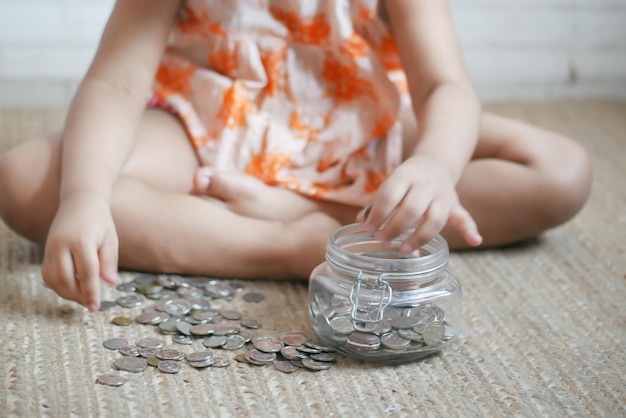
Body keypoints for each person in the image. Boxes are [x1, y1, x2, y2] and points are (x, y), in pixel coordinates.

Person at [0, 0, 591, 313]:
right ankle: (290, 248)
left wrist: (435, 163)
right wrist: (83, 197)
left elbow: (444, 87)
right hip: (210, 124)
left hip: (357, 124)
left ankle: (297, 212)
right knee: (25, 180)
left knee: (561, 171)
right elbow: (116, 85)